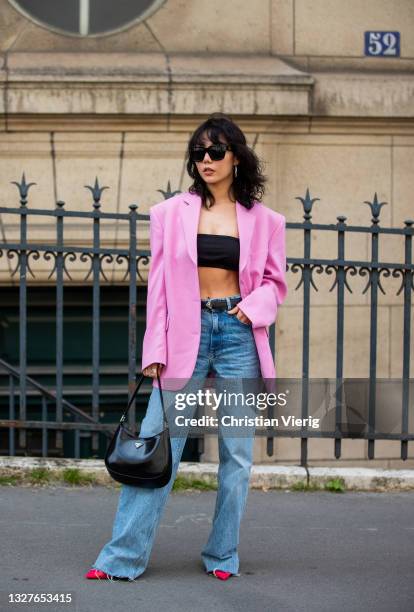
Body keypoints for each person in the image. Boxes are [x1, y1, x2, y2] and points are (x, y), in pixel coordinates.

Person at [85, 113, 287, 582]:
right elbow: (158, 286)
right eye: (199, 152)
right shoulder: (169, 214)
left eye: (216, 151)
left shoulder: (266, 221)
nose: (207, 160)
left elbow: (276, 282)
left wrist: (252, 308)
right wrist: (154, 347)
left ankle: (222, 554)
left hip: (238, 334)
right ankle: (122, 558)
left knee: (237, 454)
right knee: (158, 447)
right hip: (184, 336)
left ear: (236, 156)